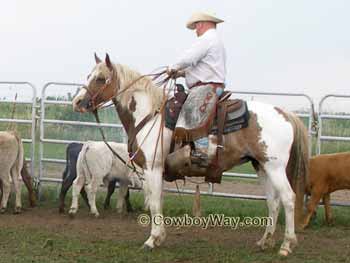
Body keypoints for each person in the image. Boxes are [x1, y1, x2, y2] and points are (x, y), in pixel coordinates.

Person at [167, 11, 227, 166]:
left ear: (201, 23)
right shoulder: (214, 40)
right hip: (210, 85)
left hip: (206, 88)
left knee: (191, 110)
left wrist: (173, 67)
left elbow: (189, 57)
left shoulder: (207, 39)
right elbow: (201, 66)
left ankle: (202, 150)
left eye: (196, 26)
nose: (195, 30)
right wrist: (182, 73)